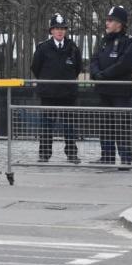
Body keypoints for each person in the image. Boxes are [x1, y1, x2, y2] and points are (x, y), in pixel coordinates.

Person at [89, 5, 132, 168]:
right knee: (105, 125)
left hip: (120, 91)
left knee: (121, 125)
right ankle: (107, 156)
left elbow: (124, 64)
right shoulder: (104, 40)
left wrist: (105, 75)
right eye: (107, 20)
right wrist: (96, 73)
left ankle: (125, 158)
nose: (107, 23)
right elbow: (94, 59)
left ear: (120, 23)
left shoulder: (129, 42)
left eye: (111, 20)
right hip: (104, 90)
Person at [30, 13, 83, 164]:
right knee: (46, 126)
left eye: (62, 28)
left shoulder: (72, 47)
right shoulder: (43, 47)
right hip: (49, 93)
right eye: (56, 28)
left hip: (68, 94)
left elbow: (78, 67)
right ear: (51, 31)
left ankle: (71, 153)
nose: (60, 31)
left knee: (69, 126)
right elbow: (36, 67)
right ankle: (45, 153)